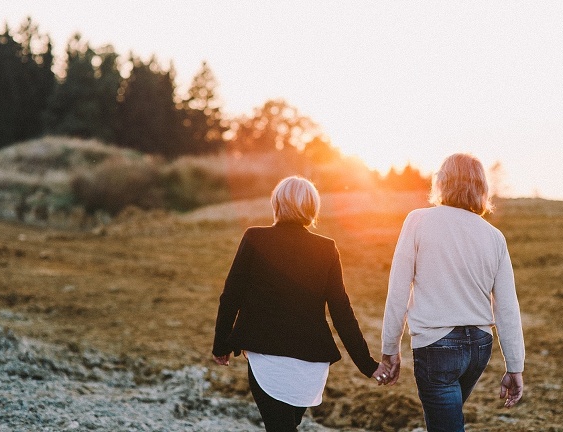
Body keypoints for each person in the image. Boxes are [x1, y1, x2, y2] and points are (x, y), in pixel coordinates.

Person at [212, 176, 392, 432]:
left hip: (266, 357)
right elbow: (342, 312)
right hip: (310, 363)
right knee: (286, 426)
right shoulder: (326, 248)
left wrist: (222, 344)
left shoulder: (255, 238)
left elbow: (231, 295)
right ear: (312, 208)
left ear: (277, 204)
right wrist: (368, 365)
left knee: (282, 427)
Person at [380, 153, 525, 432]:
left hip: (437, 346)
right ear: (482, 188)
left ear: (442, 183)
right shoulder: (494, 236)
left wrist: (390, 349)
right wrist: (515, 366)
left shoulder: (418, 220)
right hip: (479, 348)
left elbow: (398, 289)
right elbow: (507, 306)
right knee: (447, 422)